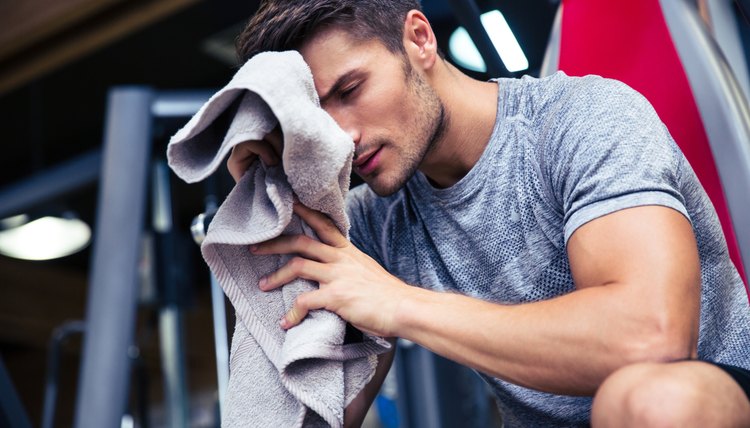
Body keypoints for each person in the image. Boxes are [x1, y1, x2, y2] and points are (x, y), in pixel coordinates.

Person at [226, 0, 750, 426]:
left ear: (419, 40)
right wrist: (272, 193)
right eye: (315, 121)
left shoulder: (584, 119)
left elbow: (649, 338)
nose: (342, 137)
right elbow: (314, 414)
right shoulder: (364, 228)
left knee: (653, 401)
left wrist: (399, 303)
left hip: (708, 396)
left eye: (350, 90)